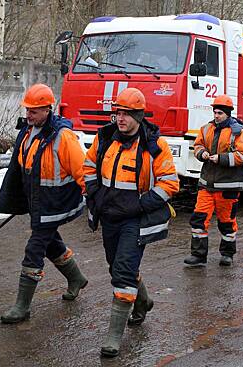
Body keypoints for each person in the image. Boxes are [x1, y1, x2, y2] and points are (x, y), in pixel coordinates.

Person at [83, 87, 179, 357]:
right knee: (116, 267)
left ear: (138, 115)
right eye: (118, 113)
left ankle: (114, 336)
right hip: (109, 216)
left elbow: (170, 183)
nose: (120, 118)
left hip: (134, 221)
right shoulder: (104, 139)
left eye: (126, 114)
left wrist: (141, 205)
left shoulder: (153, 145)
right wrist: (94, 194)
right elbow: (88, 167)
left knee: (123, 271)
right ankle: (143, 301)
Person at [0, 83, 88, 323]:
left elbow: (83, 171)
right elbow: (21, 170)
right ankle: (76, 278)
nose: (28, 115)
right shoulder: (27, 133)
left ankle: (22, 307)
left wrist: (95, 201)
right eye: (27, 110)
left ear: (48, 109)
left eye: (33, 111)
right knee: (50, 243)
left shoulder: (63, 136)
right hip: (38, 203)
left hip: (55, 204)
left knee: (34, 249)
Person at [184, 94, 243, 268]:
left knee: (227, 222)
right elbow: (198, 145)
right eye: (215, 112)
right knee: (199, 219)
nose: (216, 116)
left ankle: (227, 254)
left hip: (228, 187)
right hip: (207, 185)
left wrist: (220, 159)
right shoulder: (206, 129)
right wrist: (202, 154)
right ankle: (198, 256)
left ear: (228, 114)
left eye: (220, 113)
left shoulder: (238, 132)